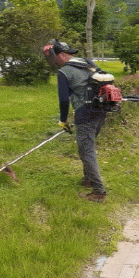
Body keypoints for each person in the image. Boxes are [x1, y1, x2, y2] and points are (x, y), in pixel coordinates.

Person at [42, 40, 107, 203]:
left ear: (63, 55)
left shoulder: (64, 72)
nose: (54, 61)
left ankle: (99, 191)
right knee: (88, 147)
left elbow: (64, 100)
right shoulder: (87, 63)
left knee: (86, 151)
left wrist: (63, 120)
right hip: (101, 110)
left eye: (55, 57)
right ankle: (88, 179)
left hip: (85, 114)